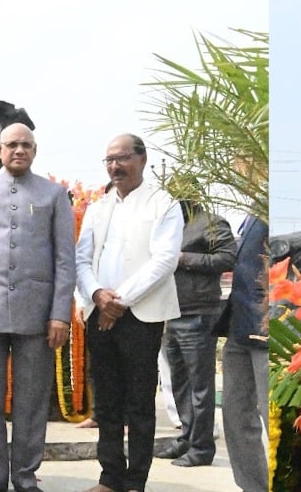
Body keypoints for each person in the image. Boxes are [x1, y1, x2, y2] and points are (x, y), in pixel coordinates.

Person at [0, 123, 75, 492]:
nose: (19, 150)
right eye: (12, 145)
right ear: (0, 151)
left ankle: (24, 476)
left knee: (32, 401)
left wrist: (60, 313)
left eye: (26, 145)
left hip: (38, 316)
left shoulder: (54, 195)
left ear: (35, 150)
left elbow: (65, 260)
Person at [75, 134, 183, 492]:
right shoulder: (98, 206)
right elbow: (82, 258)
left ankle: (135, 481)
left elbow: (164, 260)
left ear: (142, 159)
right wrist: (96, 294)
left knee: (138, 404)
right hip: (99, 312)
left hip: (141, 317)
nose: (115, 166)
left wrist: (118, 301)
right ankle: (110, 478)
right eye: (109, 160)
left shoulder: (162, 203)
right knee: (106, 400)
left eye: (122, 158)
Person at [154, 198, 237, 467]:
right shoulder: (169, 226)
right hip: (171, 312)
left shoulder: (211, 223)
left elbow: (228, 257)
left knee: (200, 386)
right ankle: (187, 438)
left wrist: (184, 258)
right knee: (179, 383)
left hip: (198, 313)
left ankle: (202, 448)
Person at [213, 212, 269, 492]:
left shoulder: (271, 209)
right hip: (239, 326)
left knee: (272, 415)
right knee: (235, 413)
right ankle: (252, 486)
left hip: (266, 329)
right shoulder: (252, 213)